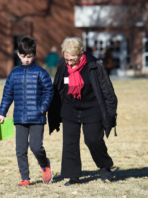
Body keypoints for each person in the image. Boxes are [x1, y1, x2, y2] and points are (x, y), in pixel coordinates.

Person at [48, 37, 118, 186]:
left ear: (81, 54)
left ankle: (105, 166)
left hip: (92, 108)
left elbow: (107, 91)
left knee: (93, 140)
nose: (69, 63)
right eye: (66, 59)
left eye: (72, 59)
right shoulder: (63, 65)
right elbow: (57, 88)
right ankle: (73, 176)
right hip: (70, 108)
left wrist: (111, 112)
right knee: (70, 143)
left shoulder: (94, 65)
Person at [0, 35, 54, 187]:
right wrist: (2, 112)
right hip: (20, 118)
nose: (26, 59)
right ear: (18, 55)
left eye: (29, 56)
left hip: (37, 117)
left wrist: (42, 109)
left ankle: (44, 165)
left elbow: (49, 92)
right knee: (20, 150)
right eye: (23, 56)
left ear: (34, 55)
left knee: (36, 147)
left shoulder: (41, 73)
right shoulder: (14, 74)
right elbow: (8, 94)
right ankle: (25, 179)